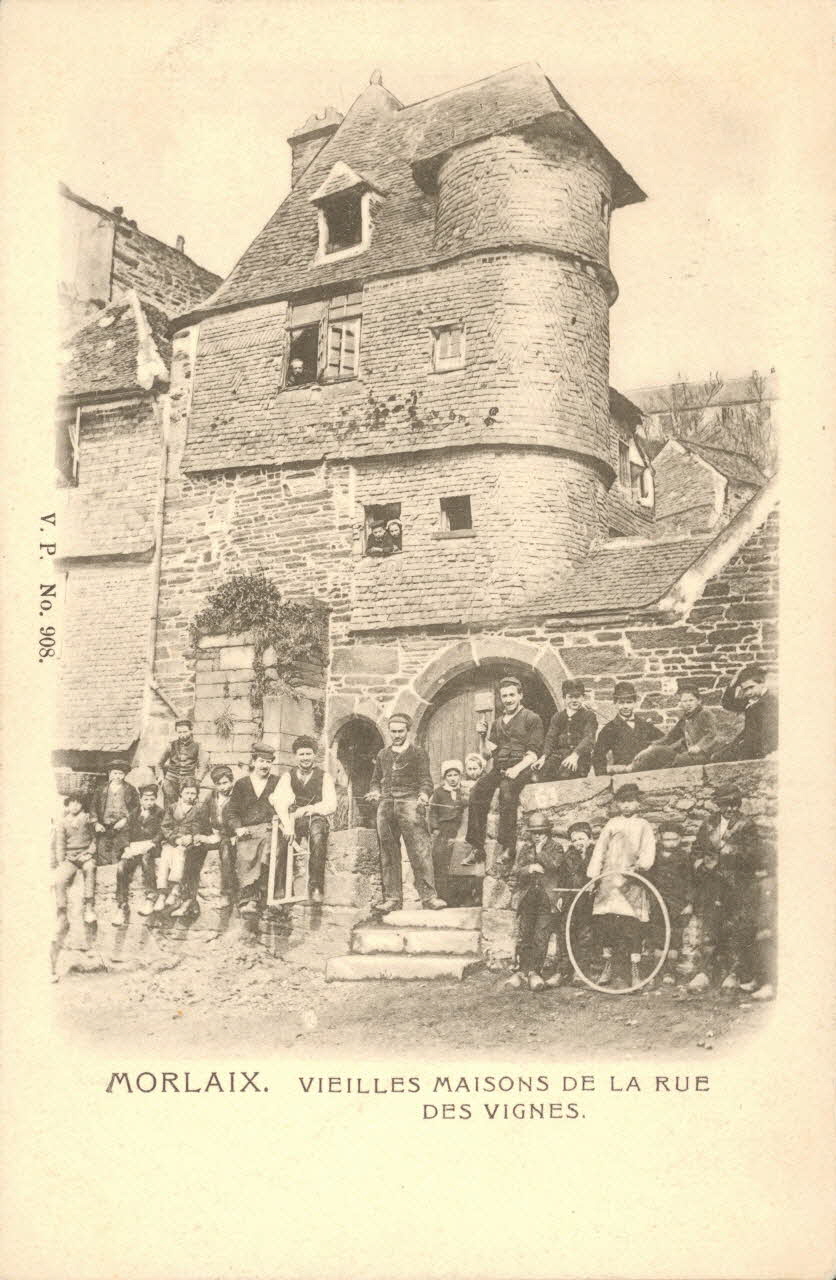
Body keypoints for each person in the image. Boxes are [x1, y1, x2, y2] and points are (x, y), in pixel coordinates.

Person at [689, 783, 772, 994]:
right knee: (710, 927)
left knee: (736, 928)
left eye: (734, 804)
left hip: (736, 884)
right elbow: (696, 849)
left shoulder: (746, 825)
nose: (730, 808)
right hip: (711, 884)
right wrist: (701, 864)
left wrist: (726, 854)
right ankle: (705, 972)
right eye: (725, 804)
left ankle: (734, 973)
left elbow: (752, 854)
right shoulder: (708, 823)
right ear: (718, 805)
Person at [366, 713, 444, 913]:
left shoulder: (418, 753)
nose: (397, 735)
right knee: (389, 853)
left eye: (401, 731)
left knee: (420, 850)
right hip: (386, 806)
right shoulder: (383, 754)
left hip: (410, 803)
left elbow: (426, 780)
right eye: (393, 731)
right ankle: (392, 899)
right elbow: (375, 779)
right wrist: (374, 791)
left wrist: (424, 795)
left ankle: (429, 897)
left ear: (408, 731)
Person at [464, 677, 545, 870]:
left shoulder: (532, 718)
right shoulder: (497, 723)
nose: (508, 699)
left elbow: (534, 753)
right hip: (499, 768)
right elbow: (486, 753)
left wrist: (517, 769)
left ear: (520, 695)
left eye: (511, 695)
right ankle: (477, 847)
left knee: (507, 793)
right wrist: (482, 736)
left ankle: (508, 846)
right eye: (504, 696)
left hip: (522, 768)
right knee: (477, 792)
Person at [586, 783, 656, 988]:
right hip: (609, 881)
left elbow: (648, 851)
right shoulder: (611, 824)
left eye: (631, 800)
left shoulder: (643, 825)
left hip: (631, 882)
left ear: (638, 802)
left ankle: (635, 971)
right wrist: (593, 875)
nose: (627, 805)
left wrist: (641, 867)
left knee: (631, 926)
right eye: (623, 801)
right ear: (617, 804)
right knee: (608, 925)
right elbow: (599, 850)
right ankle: (609, 966)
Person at [506, 813, 586, 992]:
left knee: (540, 936)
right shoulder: (526, 848)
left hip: (547, 899)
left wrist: (540, 851)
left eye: (541, 832)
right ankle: (521, 971)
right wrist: (529, 868)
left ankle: (534, 971)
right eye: (534, 833)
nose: (537, 836)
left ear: (547, 832)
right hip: (528, 898)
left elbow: (554, 866)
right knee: (525, 934)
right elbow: (517, 870)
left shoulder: (556, 847)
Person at [271, 736, 337, 904]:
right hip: (293, 819)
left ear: (314, 756)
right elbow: (279, 801)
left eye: (309, 754)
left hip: (315, 817)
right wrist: (287, 826)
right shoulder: (288, 776)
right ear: (295, 756)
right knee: (281, 840)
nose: (305, 758)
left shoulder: (324, 776)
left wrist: (309, 809)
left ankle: (315, 886)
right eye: (302, 754)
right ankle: (280, 888)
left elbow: (331, 804)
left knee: (317, 836)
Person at [223, 742, 281, 914]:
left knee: (270, 850)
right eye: (262, 761)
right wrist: (238, 828)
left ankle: (269, 896)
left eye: (269, 762)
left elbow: (286, 806)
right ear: (254, 762)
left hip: (270, 829)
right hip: (247, 831)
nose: (265, 765)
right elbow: (232, 812)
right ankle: (248, 900)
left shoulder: (277, 782)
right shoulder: (242, 784)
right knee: (244, 855)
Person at [154, 779, 212, 916]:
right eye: (187, 793)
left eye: (193, 793)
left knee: (180, 855)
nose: (190, 796)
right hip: (174, 840)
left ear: (197, 795)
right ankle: (162, 894)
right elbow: (165, 826)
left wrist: (192, 837)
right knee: (165, 855)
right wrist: (176, 838)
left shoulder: (200, 808)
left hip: (189, 842)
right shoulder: (173, 807)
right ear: (181, 793)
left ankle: (175, 890)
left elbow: (203, 828)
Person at [631, 683, 719, 771]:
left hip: (704, 754)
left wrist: (699, 747)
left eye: (691, 700)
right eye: (684, 701)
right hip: (688, 754)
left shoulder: (705, 714)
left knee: (678, 760)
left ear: (699, 701)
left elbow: (712, 734)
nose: (688, 704)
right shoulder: (685, 719)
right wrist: (652, 746)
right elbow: (670, 737)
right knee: (658, 751)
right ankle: (632, 768)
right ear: (681, 703)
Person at [112, 782, 164, 925]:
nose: (149, 802)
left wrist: (152, 842)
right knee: (121, 867)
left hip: (151, 847)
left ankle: (150, 897)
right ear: (141, 799)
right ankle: (122, 905)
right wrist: (127, 848)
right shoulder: (133, 813)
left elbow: (163, 831)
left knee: (147, 861)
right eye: (146, 799)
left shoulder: (160, 813)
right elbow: (125, 832)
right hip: (134, 848)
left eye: (152, 799)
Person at [648, 821, 693, 983]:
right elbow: (648, 877)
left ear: (680, 839)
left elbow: (689, 880)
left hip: (677, 902)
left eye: (674, 839)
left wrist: (688, 902)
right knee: (658, 936)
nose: (671, 843)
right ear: (660, 838)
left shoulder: (684, 857)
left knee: (674, 937)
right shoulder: (653, 855)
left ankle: (670, 972)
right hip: (657, 900)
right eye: (667, 840)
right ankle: (656, 971)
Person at [592, 681, 662, 775]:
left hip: (647, 775)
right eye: (621, 703)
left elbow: (664, 742)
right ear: (615, 704)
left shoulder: (646, 726)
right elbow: (598, 757)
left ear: (635, 703)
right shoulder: (609, 729)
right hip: (623, 776)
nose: (625, 706)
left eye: (629, 702)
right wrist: (606, 777)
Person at [712, 664, 779, 761]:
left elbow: (769, 732)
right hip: (746, 743)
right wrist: (733, 684)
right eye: (745, 690)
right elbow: (728, 704)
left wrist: (765, 755)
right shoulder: (751, 700)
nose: (748, 692)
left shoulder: (770, 702)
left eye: (751, 687)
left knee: (720, 758)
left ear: (762, 683)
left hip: (758, 749)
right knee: (716, 755)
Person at [53, 792, 98, 928]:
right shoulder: (63, 822)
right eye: (71, 803)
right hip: (70, 858)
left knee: (90, 868)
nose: (74, 806)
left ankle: (89, 907)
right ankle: (62, 913)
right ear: (67, 805)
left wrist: (90, 853)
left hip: (85, 855)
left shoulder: (88, 818)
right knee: (59, 879)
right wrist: (61, 861)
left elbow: (95, 839)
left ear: (82, 805)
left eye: (78, 803)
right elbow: (60, 844)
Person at [538, 680, 598, 781]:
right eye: (570, 697)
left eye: (577, 697)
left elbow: (589, 738)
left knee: (565, 773)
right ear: (564, 699)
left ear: (583, 697)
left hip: (580, 758)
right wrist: (543, 757)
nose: (574, 700)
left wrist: (575, 755)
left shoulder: (589, 716)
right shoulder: (558, 717)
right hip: (558, 756)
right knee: (539, 773)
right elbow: (550, 738)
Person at [428, 760, 467, 905]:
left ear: (460, 776)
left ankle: (458, 899)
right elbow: (432, 812)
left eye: (455, 775)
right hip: (443, 830)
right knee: (440, 860)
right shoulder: (439, 792)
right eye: (449, 775)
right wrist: (435, 828)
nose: (452, 778)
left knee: (457, 862)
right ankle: (442, 896)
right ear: (445, 777)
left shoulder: (463, 791)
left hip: (459, 830)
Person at [199, 765, 237, 908]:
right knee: (193, 849)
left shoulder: (237, 796)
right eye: (219, 784)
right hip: (215, 834)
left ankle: (226, 893)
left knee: (226, 853)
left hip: (229, 835)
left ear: (231, 781)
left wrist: (230, 834)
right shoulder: (212, 796)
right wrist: (202, 835)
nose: (222, 787)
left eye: (225, 783)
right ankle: (186, 896)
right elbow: (202, 817)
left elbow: (241, 818)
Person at [92, 759, 139, 864]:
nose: (117, 776)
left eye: (121, 773)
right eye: (115, 773)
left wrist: (126, 820)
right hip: (104, 827)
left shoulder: (130, 789)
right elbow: (93, 806)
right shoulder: (101, 789)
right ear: (110, 773)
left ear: (125, 774)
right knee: (102, 854)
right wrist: (96, 823)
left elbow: (136, 808)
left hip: (122, 828)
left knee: (117, 855)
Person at [157, 719, 206, 807]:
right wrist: (161, 779)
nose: (182, 735)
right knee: (170, 807)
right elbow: (159, 764)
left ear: (191, 730)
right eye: (179, 732)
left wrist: (198, 780)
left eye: (185, 732)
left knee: (189, 806)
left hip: (188, 781)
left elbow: (202, 765)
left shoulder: (198, 746)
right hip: (170, 781)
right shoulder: (171, 745)